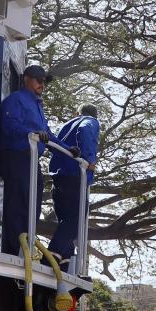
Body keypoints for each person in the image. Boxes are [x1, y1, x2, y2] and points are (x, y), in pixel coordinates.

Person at [0, 63, 70, 255]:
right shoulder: (16, 99)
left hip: (32, 161)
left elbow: (47, 134)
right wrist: (32, 133)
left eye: (44, 81)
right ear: (26, 80)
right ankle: (12, 249)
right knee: (17, 203)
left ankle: (26, 246)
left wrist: (68, 150)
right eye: (39, 80)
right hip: (16, 157)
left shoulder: (38, 106)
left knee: (33, 205)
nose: (42, 85)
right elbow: (9, 125)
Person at [49, 104, 99, 264]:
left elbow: (54, 145)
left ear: (77, 112)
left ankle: (64, 260)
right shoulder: (90, 121)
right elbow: (84, 131)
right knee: (76, 219)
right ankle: (53, 253)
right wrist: (90, 160)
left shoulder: (66, 125)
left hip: (58, 176)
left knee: (65, 221)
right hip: (74, 175)